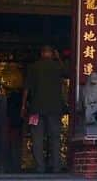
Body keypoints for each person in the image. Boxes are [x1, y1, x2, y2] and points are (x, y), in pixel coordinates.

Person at [24, 45, 68, 173]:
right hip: (54, 109)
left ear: (41, 53)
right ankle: (56, 167)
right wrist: (59, 58)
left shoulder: (33, 67)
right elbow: (67, 73)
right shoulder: (57, 66)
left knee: (37, 138)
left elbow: (27, 88)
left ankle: (40, 167)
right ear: (51, 54)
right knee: (54, 138)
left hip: (36, 109)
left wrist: (23, 106)